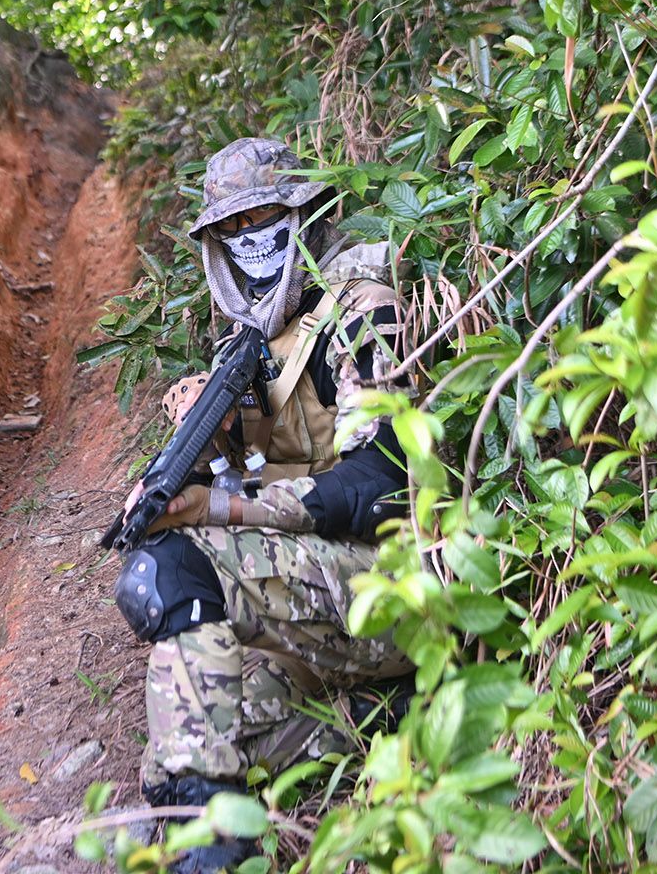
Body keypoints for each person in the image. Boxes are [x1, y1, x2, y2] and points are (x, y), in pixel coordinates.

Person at [114, 137, 417, 873]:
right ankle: (369, 721)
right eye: (233, 229)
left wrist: (216, 510)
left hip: (397, 587)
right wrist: (211, 449)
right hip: (320, 607)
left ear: (303, 214)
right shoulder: (250, 339)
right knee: (181, 742)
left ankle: (216, 858)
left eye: (264, 218)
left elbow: (384, 482)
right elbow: (260, 468)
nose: (249, 239)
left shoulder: (360, 309)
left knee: (172, 572)